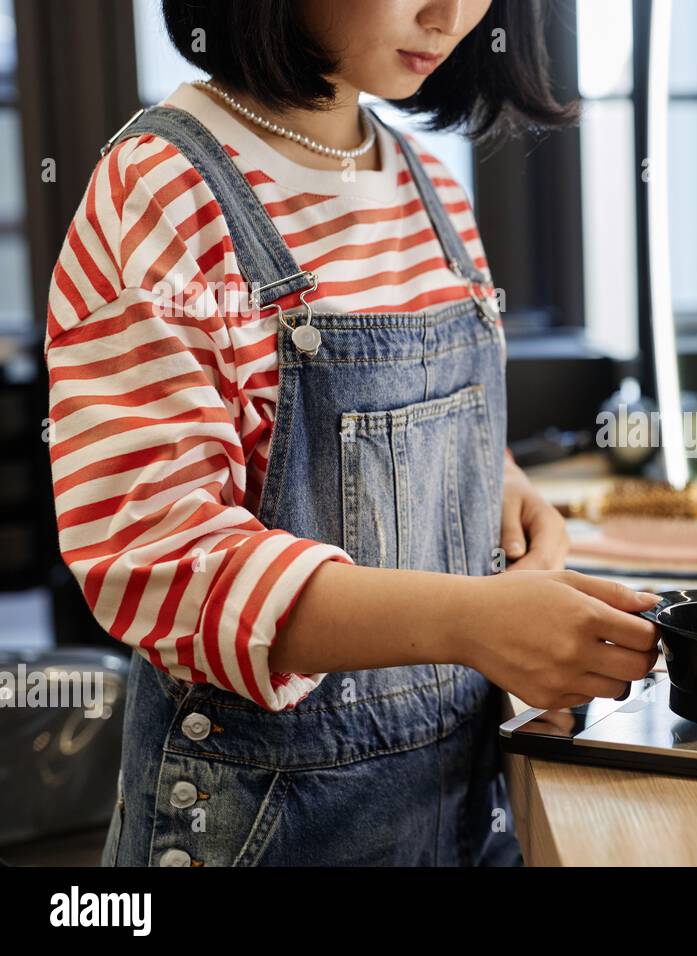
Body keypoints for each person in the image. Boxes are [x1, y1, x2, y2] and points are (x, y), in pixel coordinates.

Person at [45, 0, 660, 867]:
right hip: (262, 822)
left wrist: (496, 486)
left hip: (461, 804)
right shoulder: (162, 190)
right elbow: (156, 561)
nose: (449, 15)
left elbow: (412, 439)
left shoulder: (426, 182)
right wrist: (474, 622)